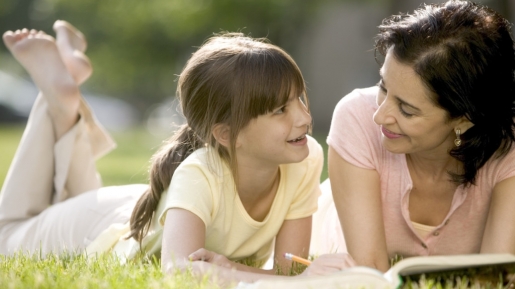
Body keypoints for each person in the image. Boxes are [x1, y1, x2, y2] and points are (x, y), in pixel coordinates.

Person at [0, 21, 352, 285]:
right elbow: (180, 271)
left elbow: (288, 268)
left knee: (66, 196)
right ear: (226, 134)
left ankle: (66, 91)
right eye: (280, 110)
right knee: (7, 234)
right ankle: (60, 102)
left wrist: (233, 270)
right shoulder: (199, 175)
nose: (305, 118)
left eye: (300, 99)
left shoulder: (303, 160)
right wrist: (290, 280)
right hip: (103, 225)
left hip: (148, 211)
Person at [312, 0, 515, 272]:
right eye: (383, 87)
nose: (380, 116)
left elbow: (496, 274)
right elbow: (369, 273)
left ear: (464, 121)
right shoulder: (356, 116)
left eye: (406, 110)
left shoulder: (507, 146)